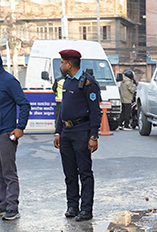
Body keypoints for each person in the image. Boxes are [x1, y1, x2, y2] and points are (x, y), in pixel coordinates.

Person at [0, 46, 29, 221]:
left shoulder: (9, 81)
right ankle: (2, 204)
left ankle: (12, 207)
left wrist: (20, 127)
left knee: (8, 171)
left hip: (5, 132)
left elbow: (24, 104)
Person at [54, 48, 101, 222]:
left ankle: (86, 209)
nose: (60, 66)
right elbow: (62, 110)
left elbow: (95, 112)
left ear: (69, 64)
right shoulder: (66, 82)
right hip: (66, 132)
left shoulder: (88, 83)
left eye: (62, 62)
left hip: (81, 131)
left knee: (84, 172)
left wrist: (93, 136)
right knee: (69, 172)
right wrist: (58, 131)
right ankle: (72, 206)